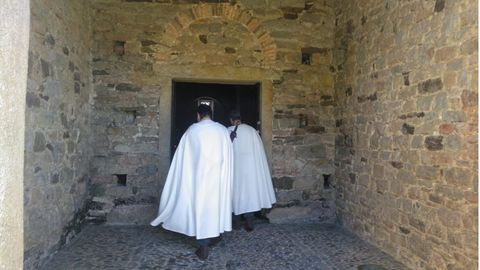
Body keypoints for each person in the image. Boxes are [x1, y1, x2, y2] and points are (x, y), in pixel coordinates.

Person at [151, 104, 233, 260]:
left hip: (198, 179)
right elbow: (228, 155)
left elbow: (183, 157)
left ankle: (203, 246)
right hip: (217, 178)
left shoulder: (192, 131)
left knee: (200, 207)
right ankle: (213, 234)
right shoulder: (222, 130)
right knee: (214, 206)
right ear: (211, 114)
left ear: (198, 115)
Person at [228, 110, 276, 231]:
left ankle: (236, 221)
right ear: (240, 118)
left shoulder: (227, 131)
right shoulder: (252, 131)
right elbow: (259, 152)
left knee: (235, 193)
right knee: (249, 193)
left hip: (234, 169)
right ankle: (249, 220)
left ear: (231, 120)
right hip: (250, 169)